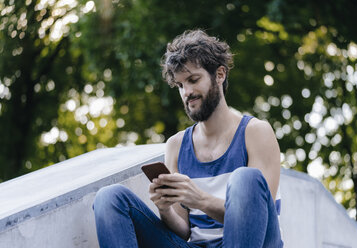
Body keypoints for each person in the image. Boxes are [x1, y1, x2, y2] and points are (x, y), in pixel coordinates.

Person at [93, 29, 283, 248]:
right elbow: (182, 231)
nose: (187, 92)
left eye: (193, 80)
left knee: (245, 179)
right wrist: (165, 208)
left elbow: (259, 218)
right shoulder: (176, 145)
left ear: (220, 75)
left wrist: (200, 200)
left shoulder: (256, 132)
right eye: (181, 85)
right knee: (110, 198)